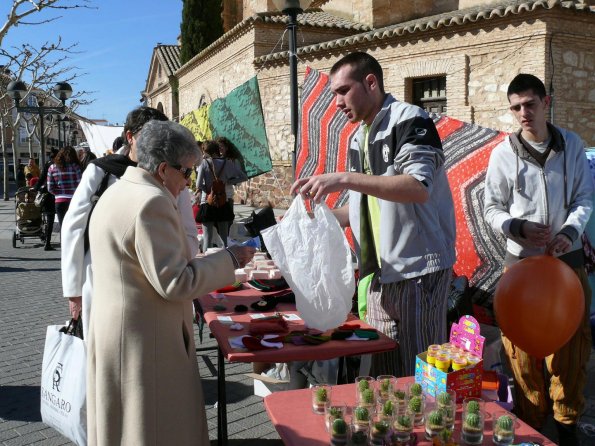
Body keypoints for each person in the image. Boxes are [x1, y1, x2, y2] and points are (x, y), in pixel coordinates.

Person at [86, 119, 255, 445]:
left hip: (120, 333)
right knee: (150, 429)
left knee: (124, 428)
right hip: (145, 343)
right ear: (164, 169)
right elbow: (175, 282)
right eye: (187, 172)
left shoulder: (119, 189)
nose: (189, 183)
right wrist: (230, 259)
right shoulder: (152, 202)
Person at [291, 52, 456, 377]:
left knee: (421, 377)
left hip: (418, 272)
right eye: (333, 94)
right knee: (387, 375)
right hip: (379, 275)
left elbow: (416, 186)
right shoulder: (358, 137)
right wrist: (313, 220)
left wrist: (343, 177)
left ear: (371, 82)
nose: (337, 102)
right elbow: (361, 206)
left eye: (342, 91)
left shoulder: (411, 119)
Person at [483, 73, 593, 445]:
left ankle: (566, 425)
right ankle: (531, 424)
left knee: (572, 348)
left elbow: (584, 199)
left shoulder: (572, 146)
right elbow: (491, 207)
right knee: (521, 352)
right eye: (515, 107)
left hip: (567, 265)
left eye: (530, 104)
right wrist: (516, 227)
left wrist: (568, 233)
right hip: (522, 270)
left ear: (546, 101)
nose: (523, 113)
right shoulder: (502, 154)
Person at [61, 106, 200, 339]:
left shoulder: (173, 174)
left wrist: (180, 264)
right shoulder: (102, 171)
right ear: (130, 137)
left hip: (157, 279)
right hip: (103, 276)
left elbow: (187, 230)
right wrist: (73, 290)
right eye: (148, 136)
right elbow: (74, 226)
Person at [195, 140, 246, 249]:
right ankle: (225, 260)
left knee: (207, 238)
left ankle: (207, 262)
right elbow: (243, 177)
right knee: (224, 238)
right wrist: (227, 182)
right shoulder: (228, 162)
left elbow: (198, 184)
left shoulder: (204, 163)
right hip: (223, 201)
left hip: (207, 202)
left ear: (207, 151)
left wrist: (208, 191)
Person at [216, 136, 248, 235]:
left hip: (227, 195)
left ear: (227, 148)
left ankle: (226, 243)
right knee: (217, 223)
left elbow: (243, 177)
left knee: (228, 221)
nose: (220, 149)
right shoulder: (214, 160)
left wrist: (229, 181)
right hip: (215, 196)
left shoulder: (233, 161)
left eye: (222, 146)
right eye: (218, 147)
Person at [35, 148, 58, 250]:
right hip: (59, 195)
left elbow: (42, 178)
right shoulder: (60, 164)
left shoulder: (48, 164)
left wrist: (35, 188)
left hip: (48, 195)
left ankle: (47, 243)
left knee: (50, 220)